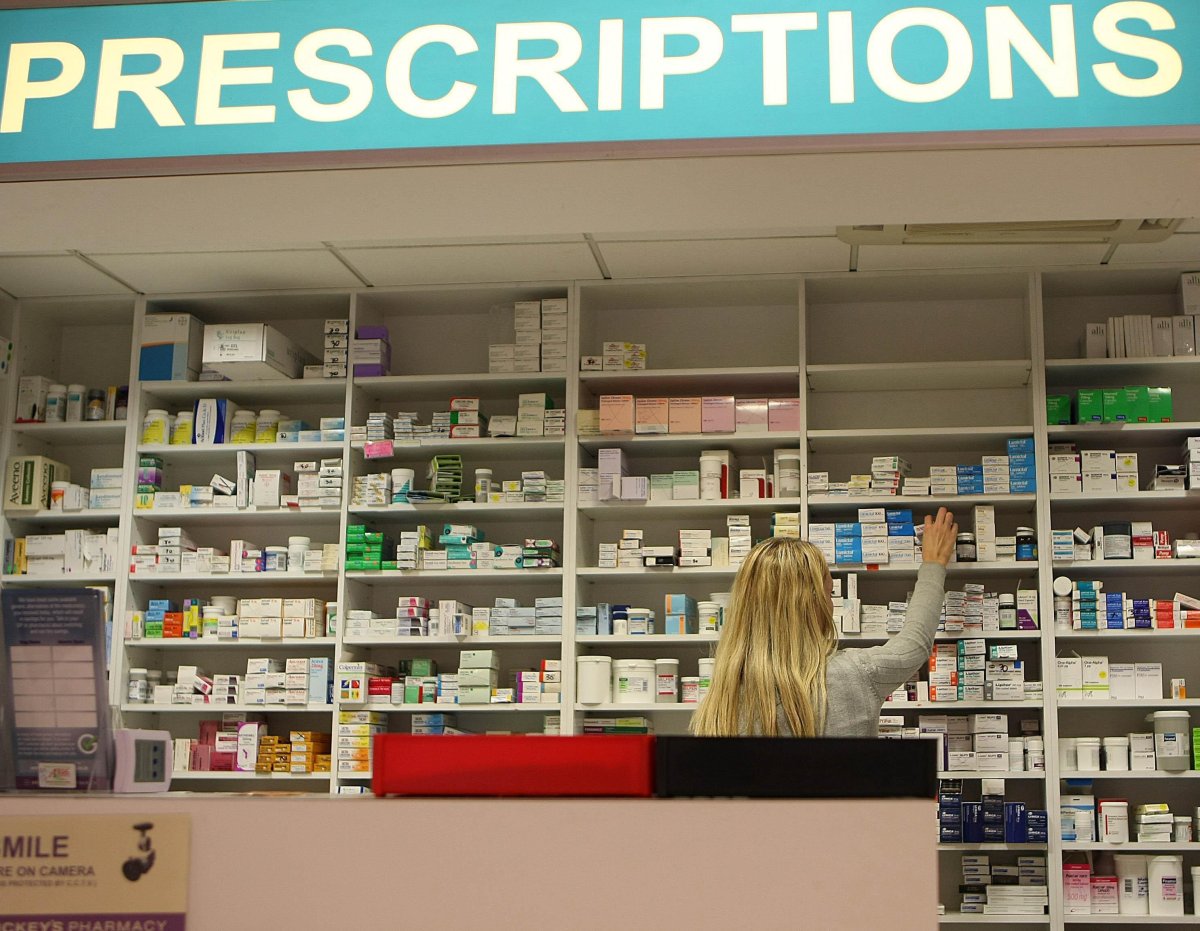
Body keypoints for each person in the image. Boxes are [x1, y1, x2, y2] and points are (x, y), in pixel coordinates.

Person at [690, 507, 958, 737]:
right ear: (811, 604)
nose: (831, 604)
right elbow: (915, 643)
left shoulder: (719, 703)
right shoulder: (854, 674)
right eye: (829, 594)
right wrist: (933, 564)